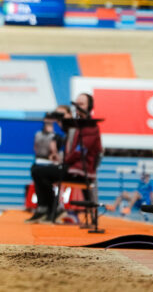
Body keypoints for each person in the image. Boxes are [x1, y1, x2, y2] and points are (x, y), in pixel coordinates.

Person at [30, 95, 101, 223]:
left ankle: (52, 208)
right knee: (36, 170)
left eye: (82, 104)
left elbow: (80, 151)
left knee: (38, 171)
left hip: (80, 170)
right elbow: (68, 135)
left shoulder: (90, 126)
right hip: (72, 166)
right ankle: (47, 208)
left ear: (89, 107)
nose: (78, 106)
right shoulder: (77, 125)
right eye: (76, 103)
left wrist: (65, 159)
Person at [25, 107, 67, 223]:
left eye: (51, 119)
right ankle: (43, 208)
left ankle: (53, 207)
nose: (48, 121)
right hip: (39, 161)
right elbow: (35, 147)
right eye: (47, 118)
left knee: (41, 175)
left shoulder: (57, 136)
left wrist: (54, 152)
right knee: (36, 173)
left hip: (50, 163)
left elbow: (55, 151)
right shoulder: (38, 134)